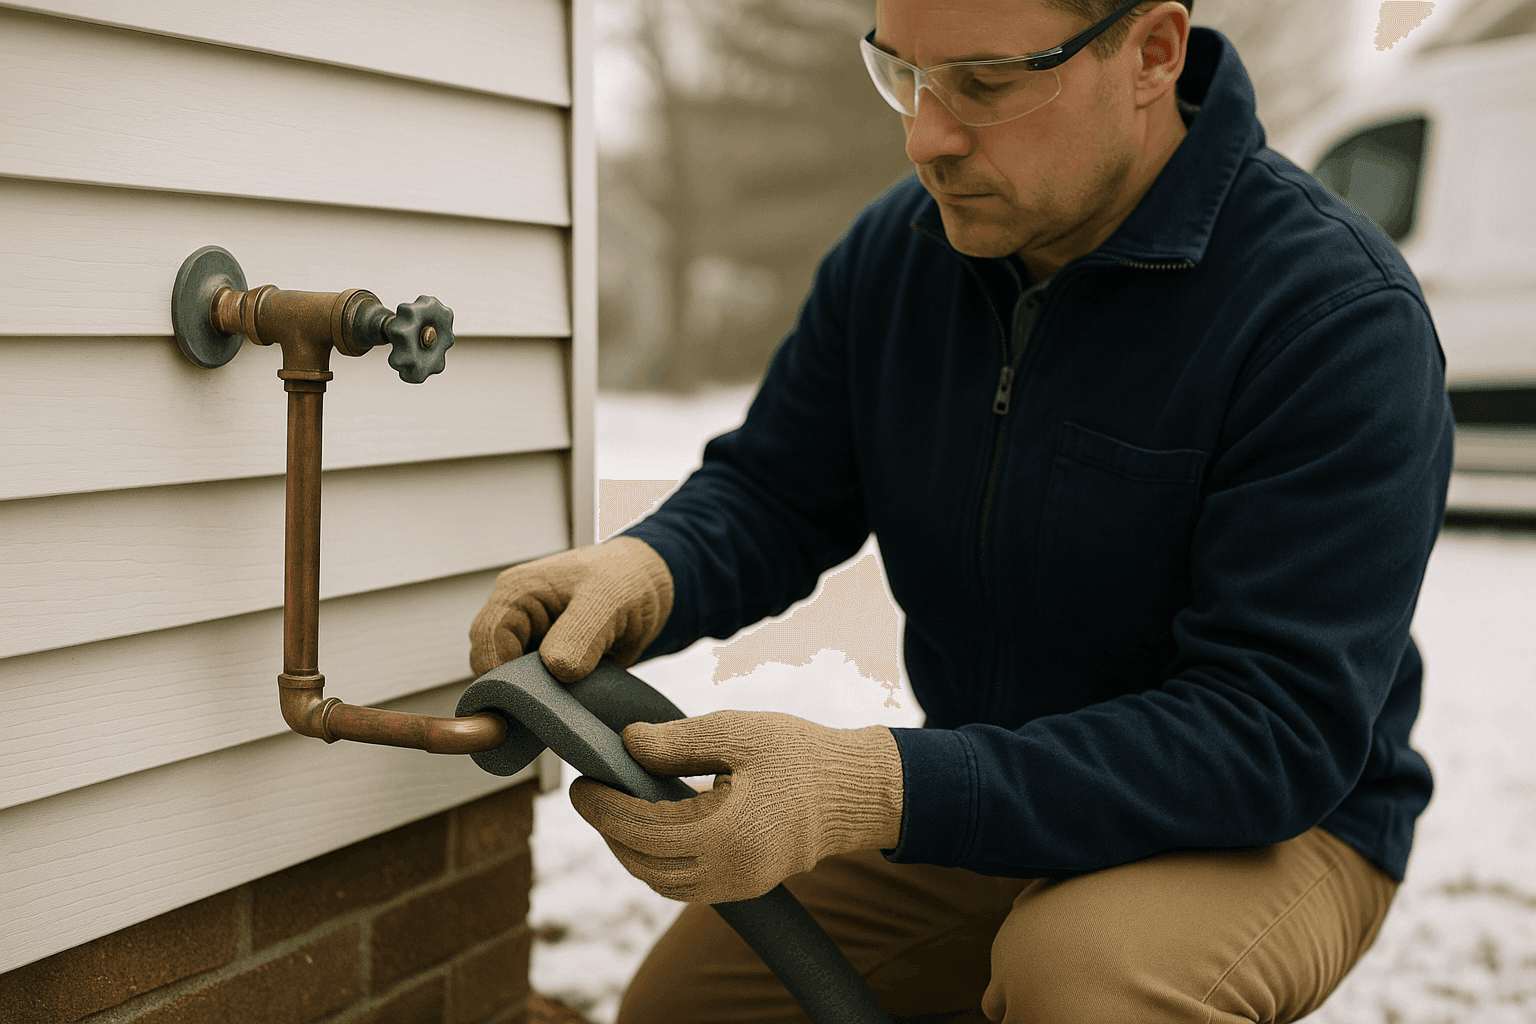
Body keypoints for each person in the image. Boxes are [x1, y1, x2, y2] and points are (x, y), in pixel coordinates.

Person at [468, 0, 1455, 1019]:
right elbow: (777, 487)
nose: (925, 136)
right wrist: (647, 572)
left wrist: (878, 786)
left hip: (1271, 824)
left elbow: (1270, 730)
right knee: (690, 1010)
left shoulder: (1332, 317)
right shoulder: (901, 252)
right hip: (997, 786)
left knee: (1080, 978)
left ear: (1153, 53)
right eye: (903, 75)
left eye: (985, 84)